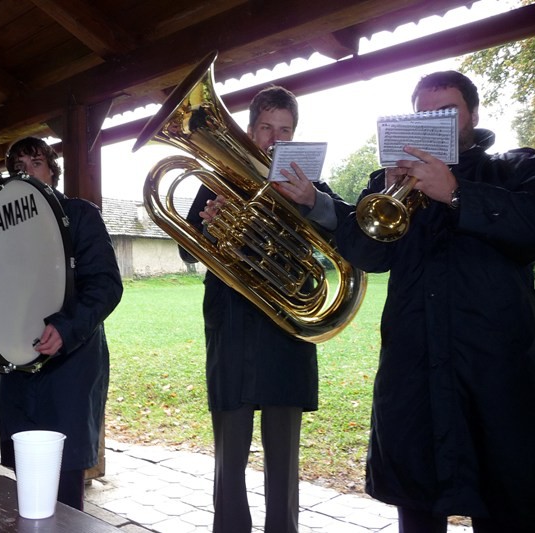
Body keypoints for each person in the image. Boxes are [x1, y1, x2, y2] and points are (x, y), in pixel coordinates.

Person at [334, 71, 535, 532]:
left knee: (507, 501)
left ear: (474, 114)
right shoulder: (388, 180)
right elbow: (363, 254)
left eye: (446, 113)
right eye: (424, 115)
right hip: (415, 378)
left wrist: (456, 192)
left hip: (495, 379)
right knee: (418, 507)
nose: (435, 122)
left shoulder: (514, 168)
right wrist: (384, 189)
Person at [181, 86, 350, 533]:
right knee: (229, 455)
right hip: (232, 327)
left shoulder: (311, 189)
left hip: (286, 332)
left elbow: (342, 240)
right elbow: (187, 251)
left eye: (285, 130)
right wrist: (211, 227)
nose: (274, 138)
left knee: (284, 457)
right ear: (249, 129)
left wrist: (311, 203)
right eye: (266, 128)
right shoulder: (217, 179)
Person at [0, 137, 123, 511]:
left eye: (35, 163)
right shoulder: (0, 228)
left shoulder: (80, 215)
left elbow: (105, 285)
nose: (27, 173)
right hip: (17, 363)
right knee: (27, 473)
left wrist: (66, 329)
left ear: (52, 170)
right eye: (18, 167)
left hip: (71, 362)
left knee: (64, 475)